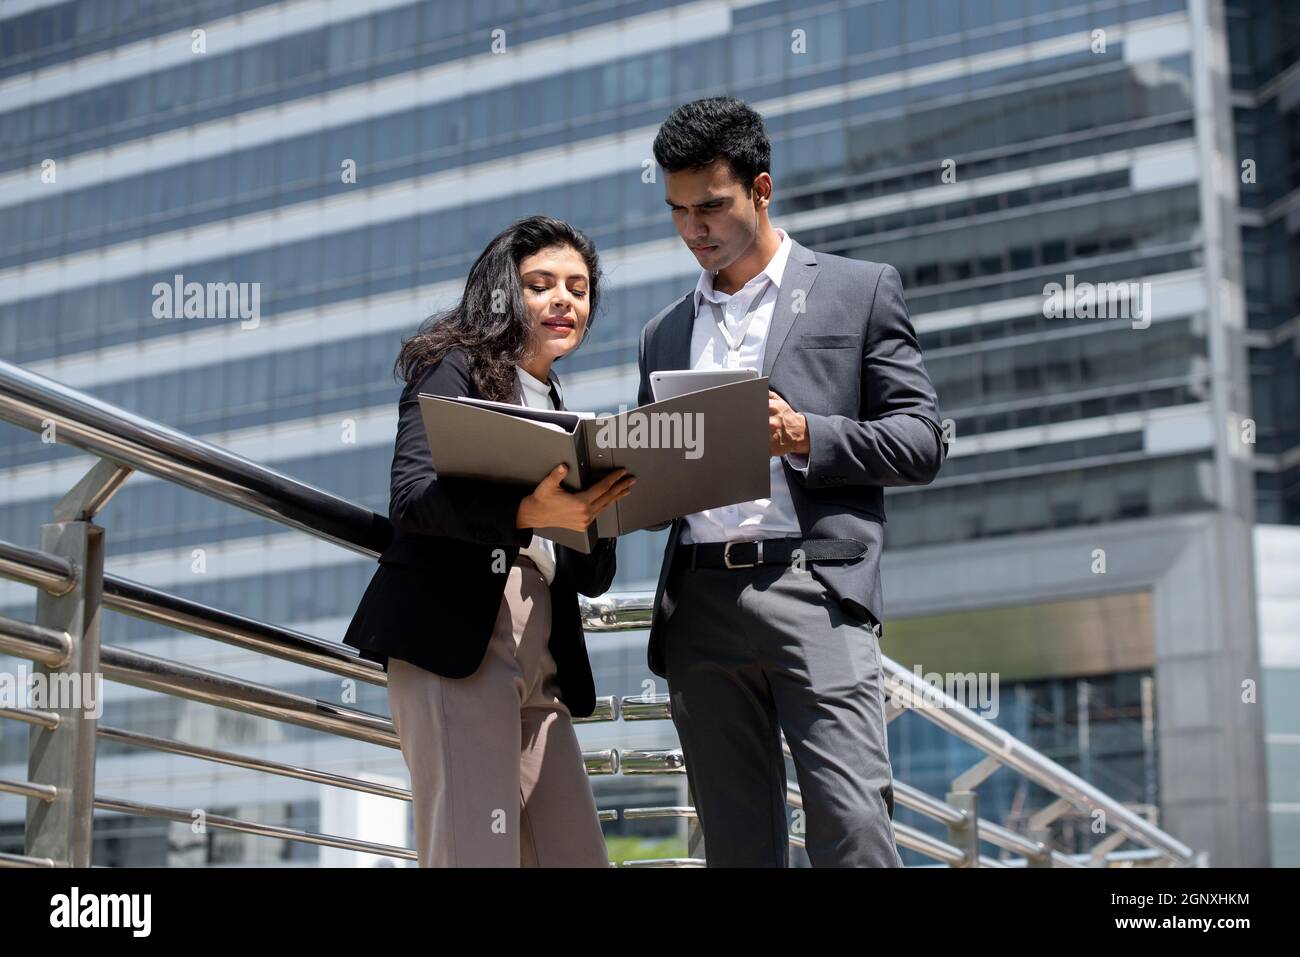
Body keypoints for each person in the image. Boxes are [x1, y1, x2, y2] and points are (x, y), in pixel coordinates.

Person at [638, 97, 947, 866]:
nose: (694, 228)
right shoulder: (662, 333)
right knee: (737, 846)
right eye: (678, 211)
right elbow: (655, 484)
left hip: (816, 585)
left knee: (853, 824)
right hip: (700, 605)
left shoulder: (859, 289)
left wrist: (805, 434)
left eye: (711, 206)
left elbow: (922, 440)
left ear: (762, 188)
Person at [344, 215, 635, 867]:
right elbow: (413, 496)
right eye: (542, 283)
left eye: (579, 288)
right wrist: (527, 508)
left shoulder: (558, 399)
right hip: (462, 634)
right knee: (475, 852)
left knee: (574, 854)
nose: (565, 298)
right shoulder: (452, 365)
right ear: (505, 291)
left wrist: (601, 507)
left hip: (542, 653)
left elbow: (590, 576)